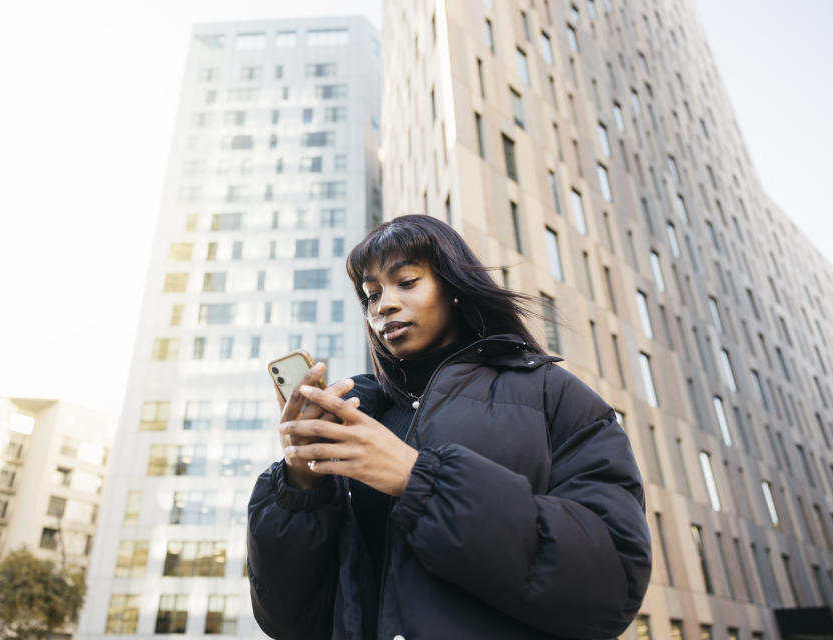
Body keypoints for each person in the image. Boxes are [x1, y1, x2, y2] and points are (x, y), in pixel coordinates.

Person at [247, 215, 652, 639]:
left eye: (406, 282)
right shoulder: (358, 412)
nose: (383, 304)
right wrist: (301, 485)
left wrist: (419, 480)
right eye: (371, 294)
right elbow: (291, 620)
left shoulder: (555, 396)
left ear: (454, 287)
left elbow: (610, 582)